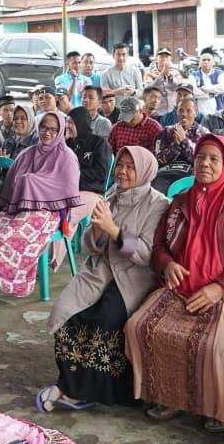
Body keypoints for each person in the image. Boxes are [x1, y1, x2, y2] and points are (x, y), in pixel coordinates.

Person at [124, 135, 224, 431]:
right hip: (180, 287)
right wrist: (167, 265)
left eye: (214, 158)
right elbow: (160, 245)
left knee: (217, 344)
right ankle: (168, 397)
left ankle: (217, 409)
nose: (205, 163)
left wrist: (221, 287)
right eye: (201, 156)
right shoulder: (180, 202)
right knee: (140, 326)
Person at [39, 147, 170, 412]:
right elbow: (89, 247)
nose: (122, 171)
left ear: (144, 171)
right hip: (100, 272)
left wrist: (113, 230)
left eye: (130, 167)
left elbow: (147, 255)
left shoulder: (159, 205)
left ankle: (91, 390)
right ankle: (71, 385)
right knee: (67, 311)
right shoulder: (110, 195)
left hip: (134, 278)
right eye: (120, 165)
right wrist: (99, 231)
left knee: (104, 319)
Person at [0, 111, 82, 296]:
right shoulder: (27, 153)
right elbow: (11, 182)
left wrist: (32, 182)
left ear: (60, 131)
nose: (47, 133)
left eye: (53, 129)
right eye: (44, 127)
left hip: (49, 212)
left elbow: (66, 190)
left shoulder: (67, 157)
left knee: (8, 238)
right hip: (17, 207)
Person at [64, 107, 113, 264]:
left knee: (65, 214)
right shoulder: (67, 144)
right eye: (67, 122)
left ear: (81, 123)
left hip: (92, 192)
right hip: (68, 190)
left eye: (71, 122)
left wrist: (74, 176)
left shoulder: (98, 143)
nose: (67, 126)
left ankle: (52, 256)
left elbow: (100, 173)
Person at [152, 98, 209, 194]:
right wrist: (176, 145)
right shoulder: (166, 132)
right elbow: (158, 159)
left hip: (191, 175)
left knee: (186, 197)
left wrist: (184, 141)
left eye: (188, 110)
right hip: (165, 174)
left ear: (196, 113)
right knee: (157, 196)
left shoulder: (204, 134)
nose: (184, 114)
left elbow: (200, 160)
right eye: (181, 110)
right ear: (176, 112)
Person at [145, 47, 182, 122]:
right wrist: (161, 75)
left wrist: (169, 76)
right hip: (156, 114)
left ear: (170, 58)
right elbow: (148, 89)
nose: (164, 58)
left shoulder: (176, 72)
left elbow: (180, 86)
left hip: (172, 113)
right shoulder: (149, 73)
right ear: (156, 58)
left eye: (167, 56)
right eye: (161, 56)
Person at [190, 52, 224, 116]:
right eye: (204, 60)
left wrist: (205, 88)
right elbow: (192, 92)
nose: (206, 62)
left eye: (208, 60)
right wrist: (211, 94)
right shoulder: (193, 75)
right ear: (199, 63)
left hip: (217, 111)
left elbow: (223, 88)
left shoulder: (220, 74)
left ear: (213, 63)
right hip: (199, 113)